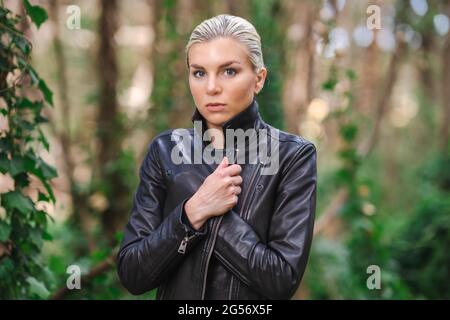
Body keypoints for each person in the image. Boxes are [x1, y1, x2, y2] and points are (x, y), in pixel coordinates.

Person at [117, 14, 317, 300]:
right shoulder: (165, 151)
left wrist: (217, 215)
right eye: (199, 72)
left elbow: (281, 279)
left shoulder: (293, 156)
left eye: (229, 71)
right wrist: (193, 211)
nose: (211, 87)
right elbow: (133, 274)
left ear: (259, 79)